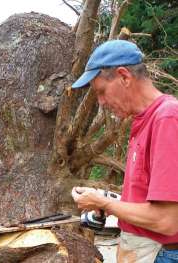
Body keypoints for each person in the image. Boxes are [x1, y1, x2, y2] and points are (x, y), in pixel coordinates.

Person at [71, 40, 178, 263]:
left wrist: (105, 204)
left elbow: (168, 220)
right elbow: (149, 200)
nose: (101, 102)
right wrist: (104, 201)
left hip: (163, 254)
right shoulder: (143, 121)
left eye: (101, 92)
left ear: (124, 77)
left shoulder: (167, 118)